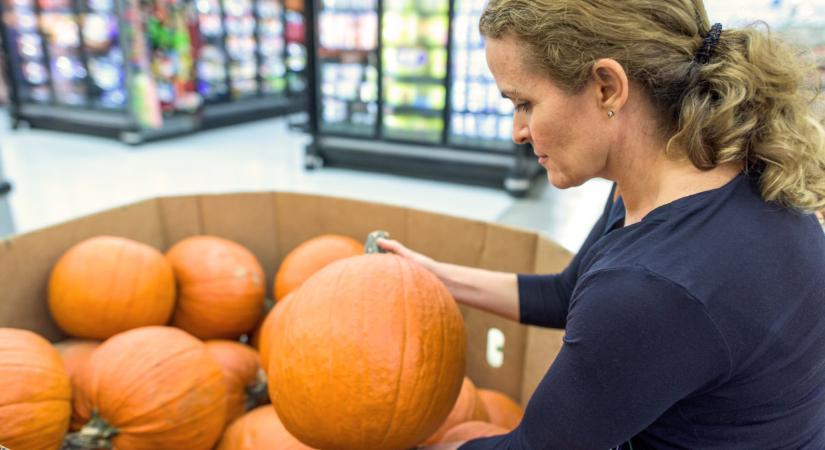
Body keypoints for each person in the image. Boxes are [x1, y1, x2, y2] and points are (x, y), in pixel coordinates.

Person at [380, 0, 825, 448]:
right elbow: (563, 294)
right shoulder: (708, 174)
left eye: (525, 103)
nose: (518, 131)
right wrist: (429, 276)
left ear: (608, 88)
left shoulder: (653, 287)